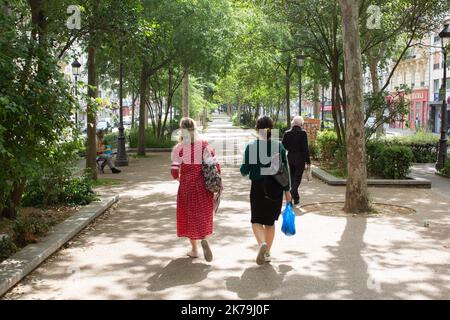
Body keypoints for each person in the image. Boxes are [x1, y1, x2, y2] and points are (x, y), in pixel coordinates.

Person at [240, 116, 292, 265]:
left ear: (257, 129)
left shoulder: (251, 147)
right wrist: (287, 191)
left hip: (258, 187)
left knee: (256, 220)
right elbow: (285, 170)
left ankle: (262, 243)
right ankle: (267, 252)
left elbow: (244, 170)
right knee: (269, 222)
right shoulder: (279, 146)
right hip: (275, 188)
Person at [171, 117, 220, 262]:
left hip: (186, 186)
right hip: (203, 186)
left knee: (188, 216)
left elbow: (174, 172)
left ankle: (194, 249)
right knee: (202, 213)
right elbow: (216, 166)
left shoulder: (178, 148)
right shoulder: (204, 145)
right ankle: (204, 238)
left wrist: (181, 178)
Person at [282, 116, 311, 208]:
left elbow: (283, 146)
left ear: (293, 123)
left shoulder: (287, 133)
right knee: (297, 179)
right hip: (300, 158)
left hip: (290, 157)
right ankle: (290, 196)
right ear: (301, 124)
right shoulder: (303, 133)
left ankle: (296, 198)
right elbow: (305, 148)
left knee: (293, 178)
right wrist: (308, 161)